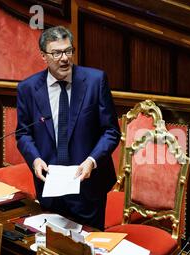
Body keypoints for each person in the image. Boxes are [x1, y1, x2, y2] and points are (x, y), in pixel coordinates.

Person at [16, 26, 120, 230]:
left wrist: (92, 160)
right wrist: (35, 159)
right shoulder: (28, 89)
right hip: (50, 186)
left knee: (89, 254)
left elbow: (111, 131)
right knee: (53, 252)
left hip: (87, 186)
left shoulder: (95, 81)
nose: (64, 58)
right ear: (43, 56)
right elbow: (23, 134)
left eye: (68, 51)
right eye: (56, 53)